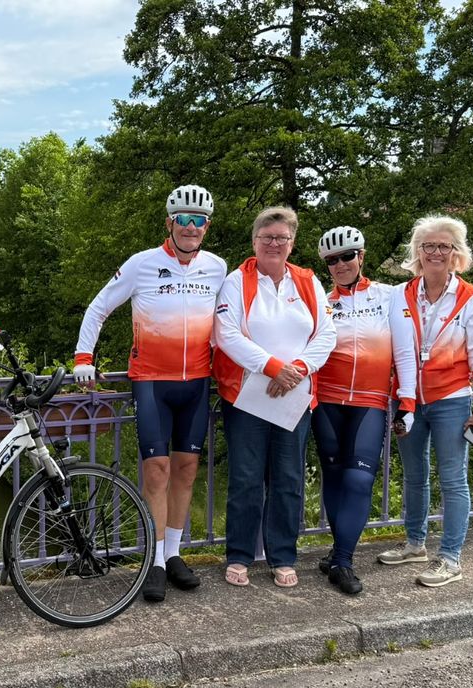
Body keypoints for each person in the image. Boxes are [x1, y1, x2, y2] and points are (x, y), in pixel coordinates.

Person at [73, 184, 227, 602]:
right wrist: (83, 356)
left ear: (207, 227)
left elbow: (232, 321)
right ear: (169, 222)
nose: (191, 227)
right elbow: (99, 306)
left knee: (186, 470)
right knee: (156, 470)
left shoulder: (216, 268)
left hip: (197, 381)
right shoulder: (142, 264)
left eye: (199, 221)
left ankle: (175, 555)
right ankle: (154, 560)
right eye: (184, 219)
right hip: (152, 382)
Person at [212, 206, 336, 588]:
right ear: (254, 241)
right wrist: (272, 368)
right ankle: (239, 555)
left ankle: (283, 555)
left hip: (294, 397)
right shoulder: (237, 281)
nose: (274, 244)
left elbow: (327, 334)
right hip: (247, 398)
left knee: (288, 477)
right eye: (267, 237)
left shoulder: (308, 281)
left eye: (281, 238)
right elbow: (226, 334)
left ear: (292, 243)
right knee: (246, 478)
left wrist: (296, 369)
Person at [383, 215, 473, 587]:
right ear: (417, 252)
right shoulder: (399, 294)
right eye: (428, 245)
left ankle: (450, 557)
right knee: (414, 476)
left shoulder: (472, 299)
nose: (435, 252)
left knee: (452, 479)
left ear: (456, 253)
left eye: (443, 246)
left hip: (452, 399)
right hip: (410, 399)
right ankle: (415, 543)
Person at [311, 226, 415, 595]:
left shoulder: (389, 296)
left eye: (347, 256)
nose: (340, 265)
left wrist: (407, 399)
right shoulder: (322, 301)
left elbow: (404, 349)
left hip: (369, 402)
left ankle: (342, 561)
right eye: (332, 260)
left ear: (362, 257)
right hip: (326, 400)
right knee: (335, 477)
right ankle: (339, 556)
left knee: (359, 480)